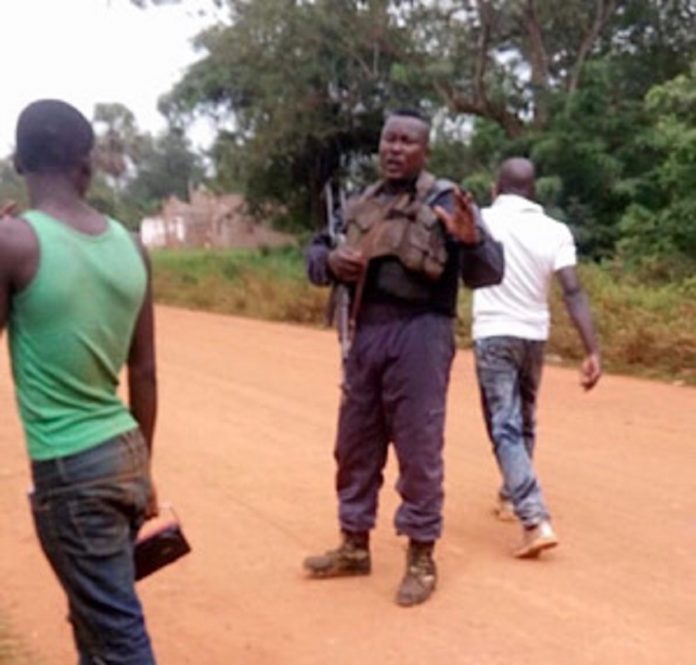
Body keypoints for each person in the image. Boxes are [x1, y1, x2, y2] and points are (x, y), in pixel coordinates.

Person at [303, 109, 505, 607]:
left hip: (422, 332)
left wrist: (470, 239)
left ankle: (421, 554)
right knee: (355, 443)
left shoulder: (448, 201)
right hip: (365, 332)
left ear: (424, 151)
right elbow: (313, 259)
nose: (394, 149)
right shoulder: (359, 204)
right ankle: (354, 542)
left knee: (418, 446)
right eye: (388, 140)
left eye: (406, 141)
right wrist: (331, 262)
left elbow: (490, 272)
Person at [0, 100, 158, 663]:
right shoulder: (131, 245)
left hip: (69, 470)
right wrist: (144, 468)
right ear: (87, 166)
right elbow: (144, 371)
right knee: (95, 621)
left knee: (116, 637)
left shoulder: (15, 242)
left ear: (20, 162)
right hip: (126, 454)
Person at [472, 157, 601, 558]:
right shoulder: (555, 230)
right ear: (534, 191)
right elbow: (572, 291)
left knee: (503, 426)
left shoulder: (482, 221)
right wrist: (592, 348)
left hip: (494, 333)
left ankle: (534, 518)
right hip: (534, 337)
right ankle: (511, 495)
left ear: (496, 188)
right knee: (524, 420)